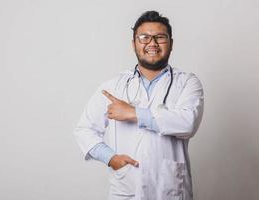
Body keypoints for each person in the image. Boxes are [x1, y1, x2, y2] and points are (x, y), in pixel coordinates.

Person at [74, 10, 204, 200]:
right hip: (127, 187)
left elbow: (188, 123)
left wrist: (134, 113)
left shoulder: (187, 82)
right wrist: (111, 158)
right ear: (133, 44)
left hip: (170, 188)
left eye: (160, 37)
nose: (152, 43)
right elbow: (84, 129)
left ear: (171, 43)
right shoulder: (114, 85)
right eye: (144, 37)